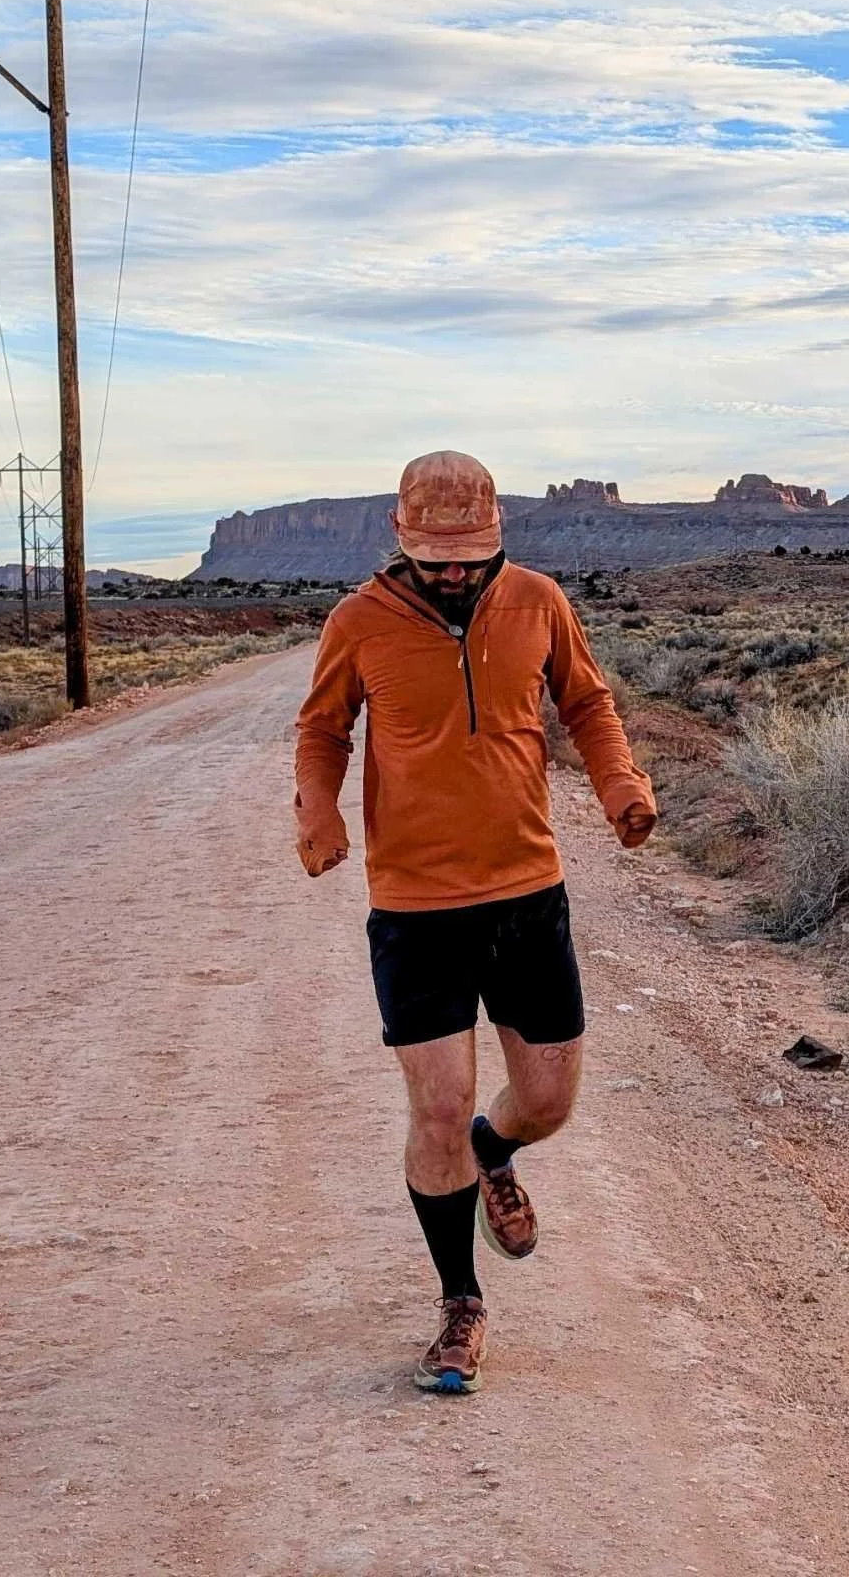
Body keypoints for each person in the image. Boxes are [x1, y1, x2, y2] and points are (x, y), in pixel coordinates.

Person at [294, 450, 658, 1394]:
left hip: (527, 890)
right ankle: (461, 1302)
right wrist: (318, 809)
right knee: (441, 1105)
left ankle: (496, 1153)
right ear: (402, 541)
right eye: (437, 558)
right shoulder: (359, 621)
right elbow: (324, 726)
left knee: (544, 1101)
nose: (455, 573)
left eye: (471, 556)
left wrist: (621, 785)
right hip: (416, 906)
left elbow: (586, 701)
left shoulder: (538, 600)